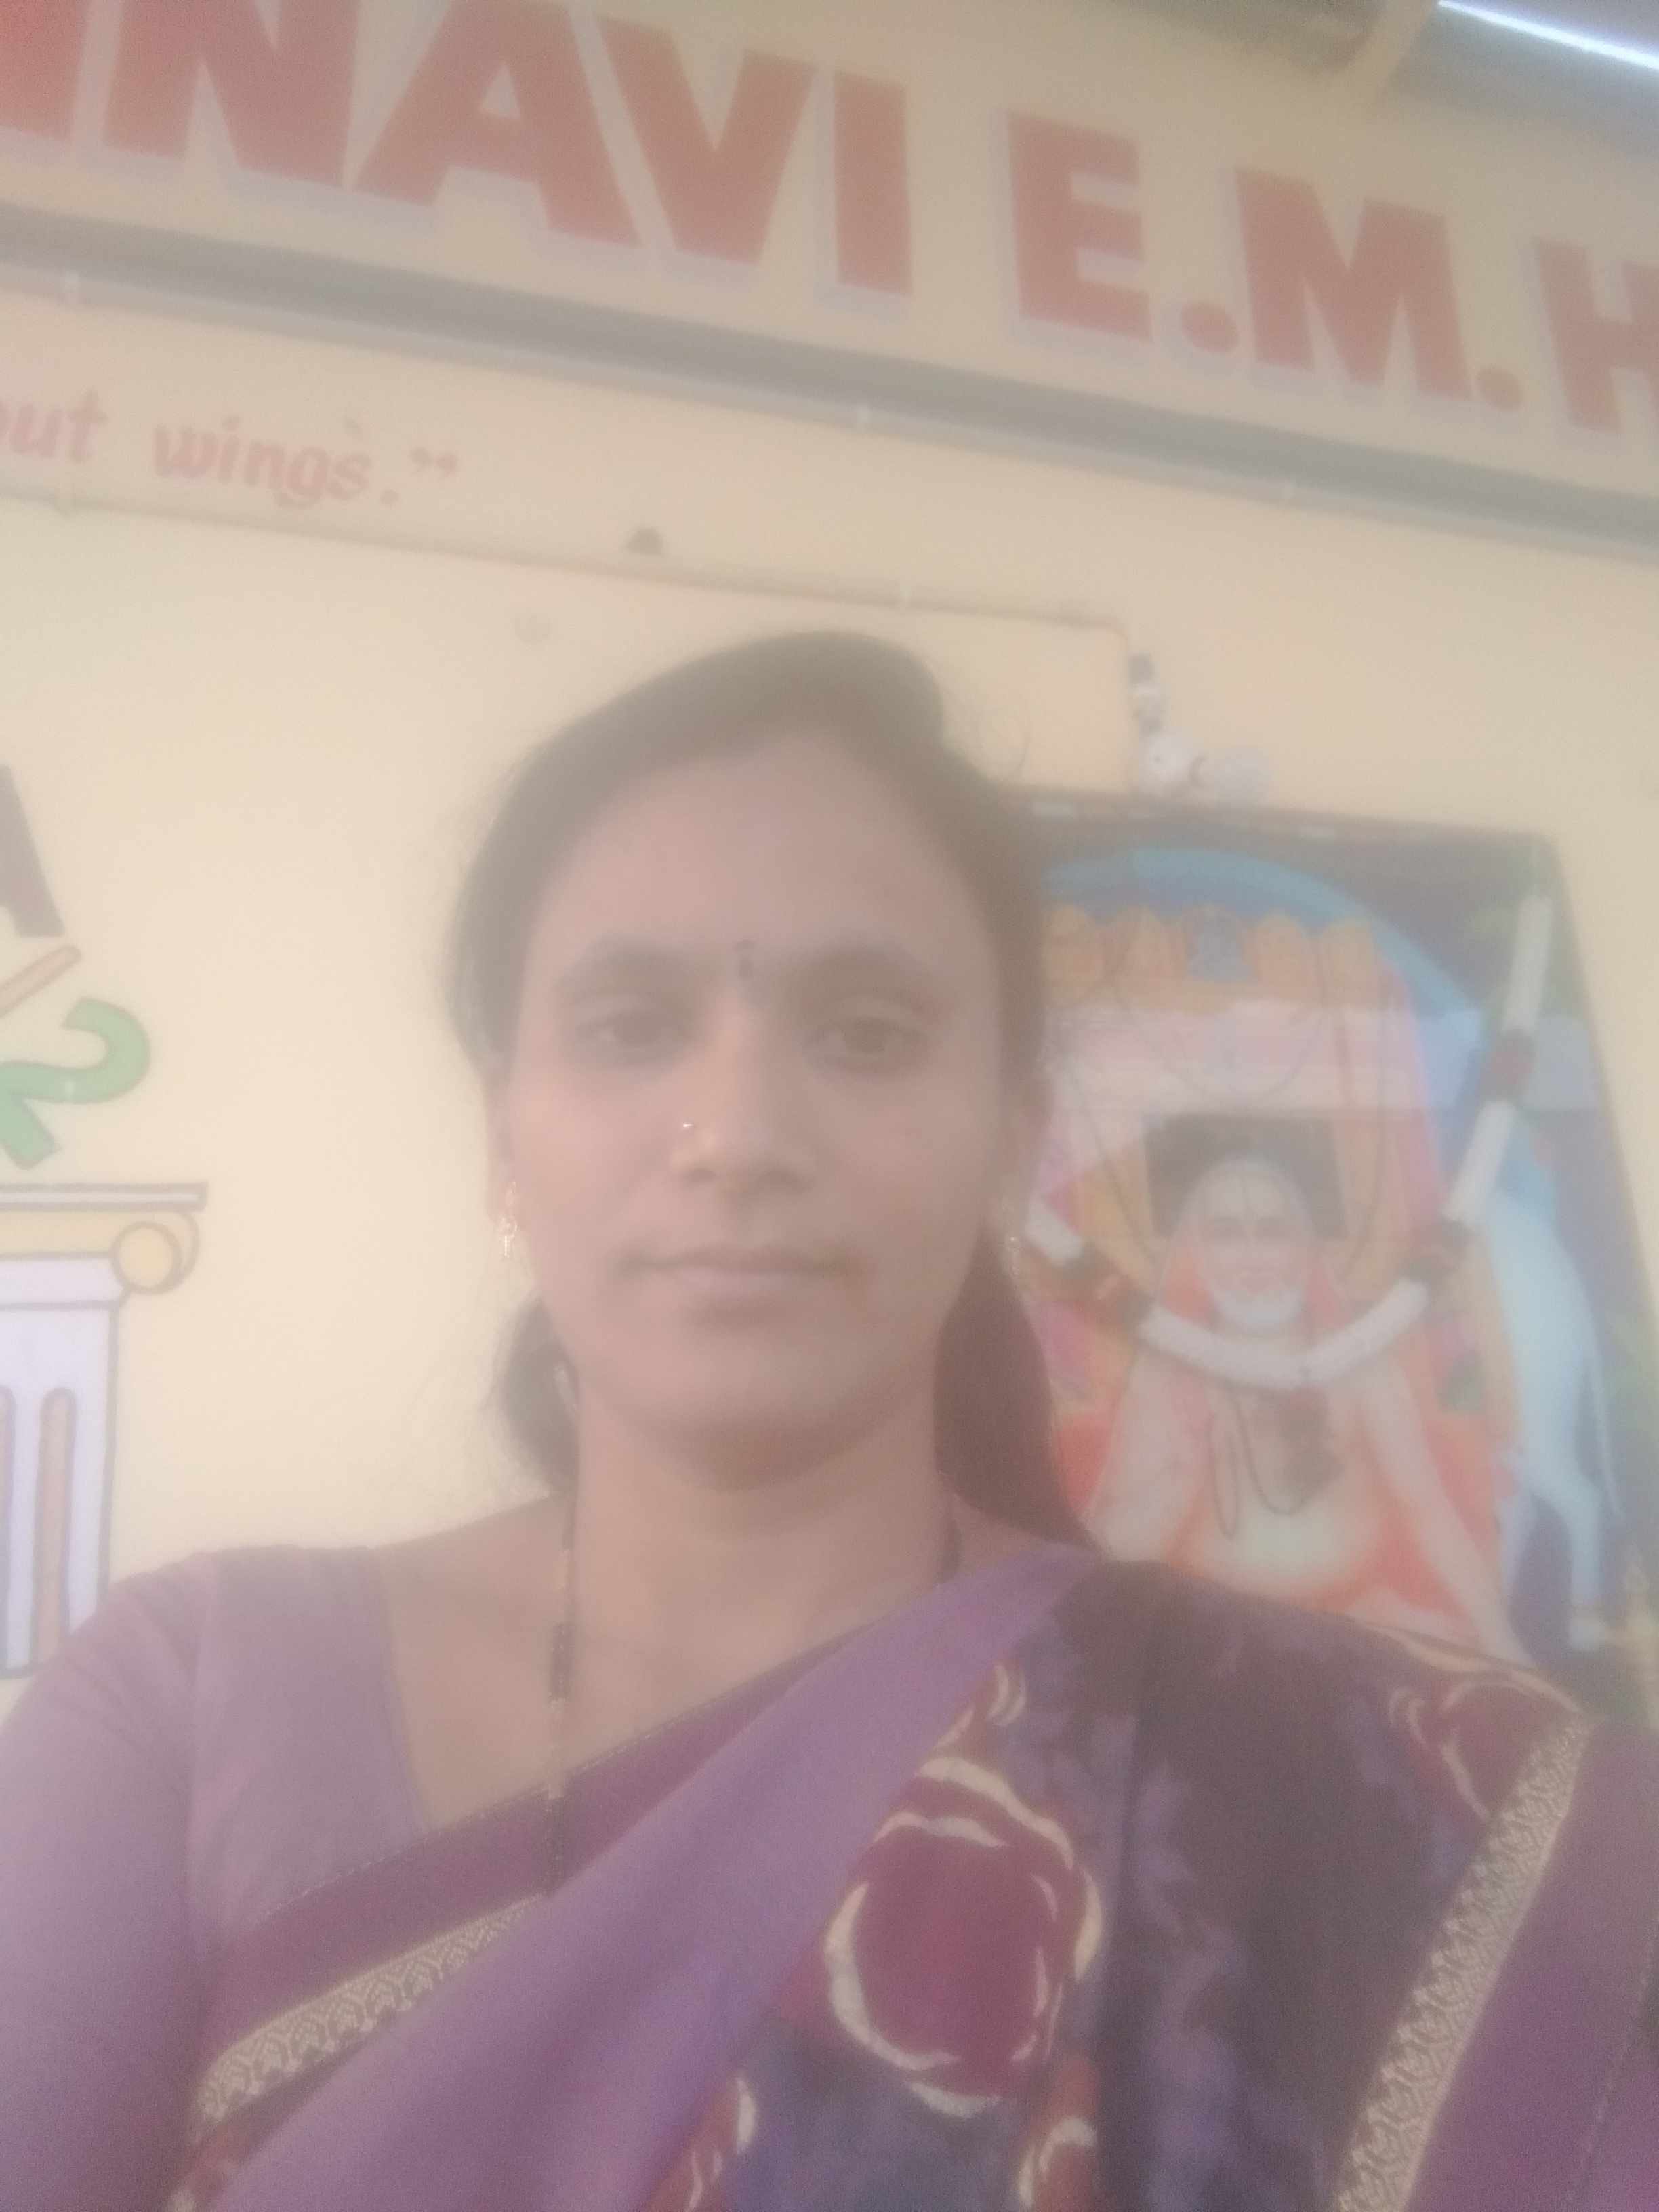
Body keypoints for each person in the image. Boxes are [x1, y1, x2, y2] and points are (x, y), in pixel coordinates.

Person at [1, 632, 1654, 2212]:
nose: (735, 1132)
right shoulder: (191, 1711)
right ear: (504, 1144)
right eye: (630, 1027)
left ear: (1010, 1137)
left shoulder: (1291, 1778)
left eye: (865, 1033)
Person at [1082, 1147, 1528, 1662]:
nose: (1252, 1256)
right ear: (1198, 1254)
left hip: (1358, 1622)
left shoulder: (1356, 1360)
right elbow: (1113, 1557)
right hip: (1214, 1642)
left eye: (1272, 1231)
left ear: (1304, 1249)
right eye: (1227, 1233)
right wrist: (1177, 1484)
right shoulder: (1168, 1374)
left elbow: (1426, 1509)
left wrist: (1500, 1637)